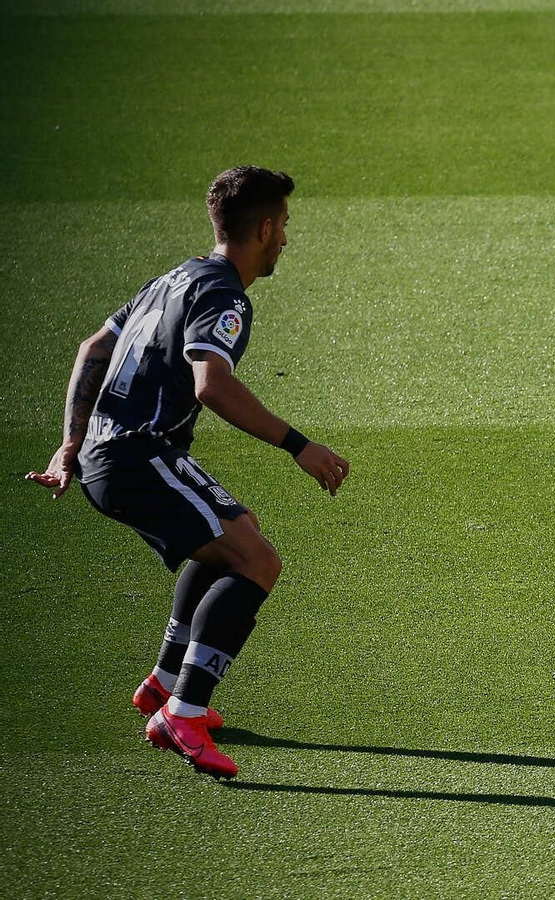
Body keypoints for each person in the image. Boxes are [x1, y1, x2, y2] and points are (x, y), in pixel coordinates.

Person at [26, 166, 349, 777]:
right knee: (259, 561)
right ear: (263, 226)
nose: (286, 239)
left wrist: (69, 444)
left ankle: (165, 683)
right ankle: (184, 712)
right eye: (283, 226)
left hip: (117, 452)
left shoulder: (178, 275)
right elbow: (212, 385)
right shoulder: (224, 293)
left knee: (231, 535)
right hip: (136, 455)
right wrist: (298, 445)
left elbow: (93, 348)